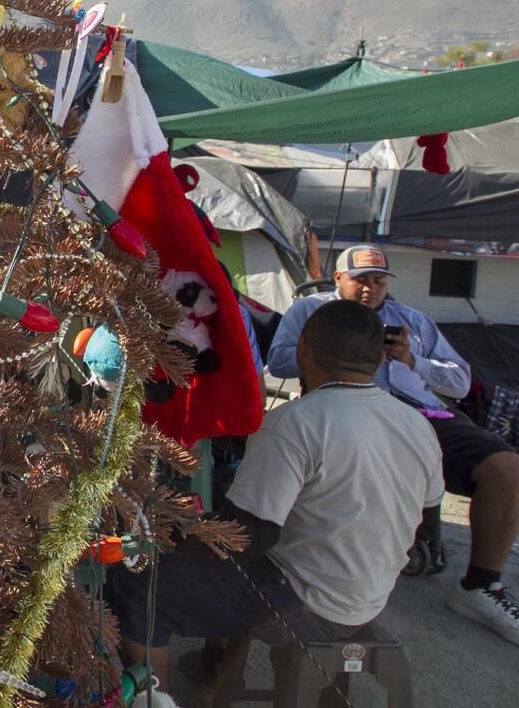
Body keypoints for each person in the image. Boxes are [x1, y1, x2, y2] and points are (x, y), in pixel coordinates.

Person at [107, 299, 442, 692]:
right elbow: (429, 525)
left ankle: (156, 700)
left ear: (303, 350)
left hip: (307, 600)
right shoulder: (417, 425)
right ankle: (217, 666)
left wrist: (168, 533)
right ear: (379, 359)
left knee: (137, 586)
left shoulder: (296, 422)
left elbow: (248, 538)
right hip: (370, 594)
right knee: (216, 566)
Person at [268, 245, 519, 645]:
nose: (370, 290)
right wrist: (336, 350)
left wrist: (412, 359)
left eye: (379, 281)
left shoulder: (411, 321)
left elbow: (460, 380)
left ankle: (481, 586)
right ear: (338, 279)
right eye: (361, 280)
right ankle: (319, 567)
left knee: (505, 467)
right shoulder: (311, 311)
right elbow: (277, 362)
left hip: (419, 412)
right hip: (343, 403)